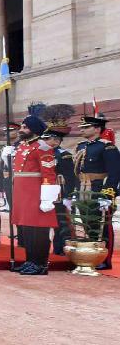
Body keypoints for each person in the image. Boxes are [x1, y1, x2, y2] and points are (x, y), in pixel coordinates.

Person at [9, 114, 59, 276]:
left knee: (39, 230)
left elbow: (49, 173)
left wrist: (47, 198)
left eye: (25, 127)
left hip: (36, 192)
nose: (21, 130)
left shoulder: (43, 147)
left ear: (34, 130)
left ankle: (40, 263)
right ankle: (30, 261)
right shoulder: (22, 146)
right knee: (27, 229)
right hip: (22, 193)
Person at [74, 114, 120, 271]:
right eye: (82, 127)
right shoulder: (81, 146)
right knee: (88, 223)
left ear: (97, 129)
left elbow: (115, 173)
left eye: (86, 127)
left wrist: (107, 194)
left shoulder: (107, 147)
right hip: (84, 189)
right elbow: (77, 171)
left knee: (102, 225)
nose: (82, 130)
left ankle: (104, 259)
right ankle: (92, 255)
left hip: (100, 190)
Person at [43, 122, 79, 256]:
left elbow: (70, 177)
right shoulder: (40, 153)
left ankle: (60, 250)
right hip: (44, 192)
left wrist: (68, 196)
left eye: (49, 139)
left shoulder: (64, 155)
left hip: (59, 193)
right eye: (46, 139)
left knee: (61, 223)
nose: (46, 141)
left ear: (58, 140)